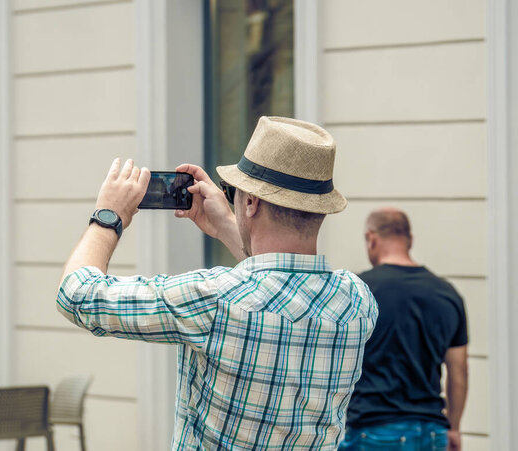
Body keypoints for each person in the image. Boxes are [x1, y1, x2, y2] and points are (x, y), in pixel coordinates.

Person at [56, 116, 378, 450]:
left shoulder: (214, 298)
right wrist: (228, 223)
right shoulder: (357, 301)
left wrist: (109, 215)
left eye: (234, 193)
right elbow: (281, 288)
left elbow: (77, 295)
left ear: (251, 203)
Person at [339, 208, 469, 451]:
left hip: (373, 429)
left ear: (372, 238)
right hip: (431, 433)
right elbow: (459, 370)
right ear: (409, 240)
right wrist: (453, 427)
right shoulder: (448, 294)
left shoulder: (360, 290)